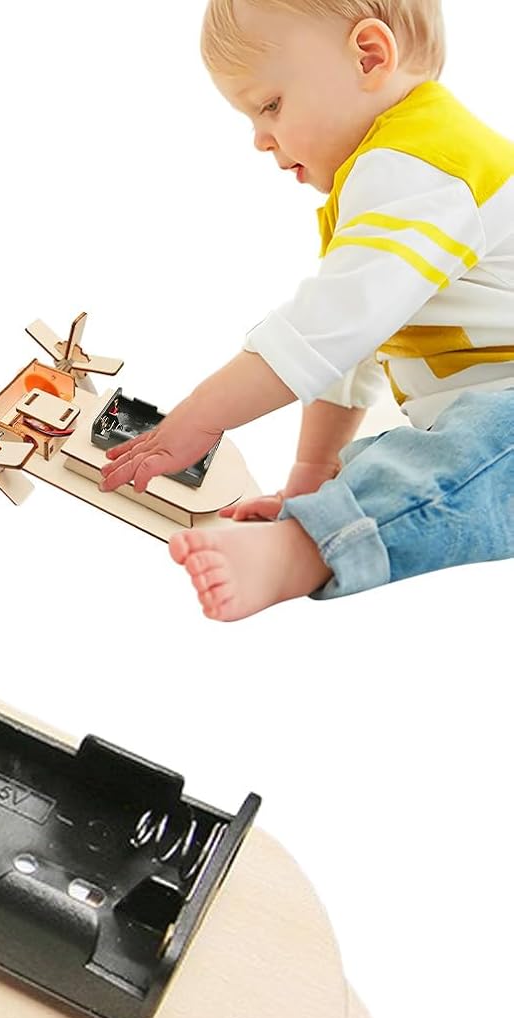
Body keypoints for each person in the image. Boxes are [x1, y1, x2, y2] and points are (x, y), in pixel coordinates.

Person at [100, 0, 514, 620]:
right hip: (479, 415)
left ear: (368, 57)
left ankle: (303, 550)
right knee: (396, 460)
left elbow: (328, 329)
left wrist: (201, 418)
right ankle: (324, 519)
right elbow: (350, 349)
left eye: (270, 105)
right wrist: (314, 476)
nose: (260, 139)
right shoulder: (389, 184)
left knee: (473, 450)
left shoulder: (426, 166)